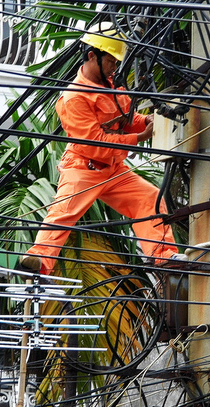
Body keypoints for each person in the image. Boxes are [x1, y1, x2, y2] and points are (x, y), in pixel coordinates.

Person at [19, 23, 186, 275]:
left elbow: (127, 117)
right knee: (62, 215)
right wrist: (140, 137)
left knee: (150, 199)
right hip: (84, 167)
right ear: (91, 56)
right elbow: (95, 142)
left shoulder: (112, 86)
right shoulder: (73, 98)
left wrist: (146, 121)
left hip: (114, 170)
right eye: (110, 60)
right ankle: (38, 263)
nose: (115, 66)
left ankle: (162, 256)